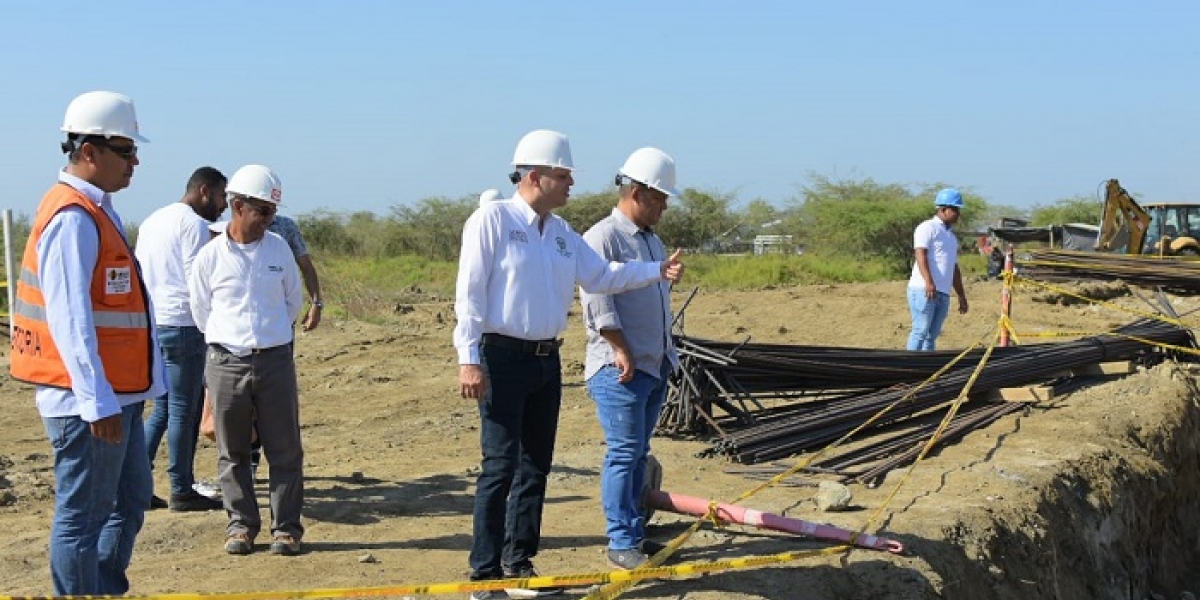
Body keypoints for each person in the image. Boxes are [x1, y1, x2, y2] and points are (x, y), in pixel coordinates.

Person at [454, 129, 685, 600]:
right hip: (500, 356)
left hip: (545, 360)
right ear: (535, 176)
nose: (571, 185)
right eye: (564, 176)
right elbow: (470, 296)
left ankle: (519, 564)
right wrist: (469, 359)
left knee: (535, 467)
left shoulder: (561, 235)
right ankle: (485, 577)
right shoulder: (492, 220)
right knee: (499, 467)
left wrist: (655, 271)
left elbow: (602, 275)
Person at [10, 91, 166, 595]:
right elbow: (70, 320)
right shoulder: (73, 217)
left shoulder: (99, 211)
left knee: (132, 499)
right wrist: (96, 401)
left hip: (117, 397)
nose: (135, 161)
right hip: (86, 404)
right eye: (125, 150)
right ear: (88, 151)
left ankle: (101, 588)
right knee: (83, 518)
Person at [188, 164, 305, 556]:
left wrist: (269, 339)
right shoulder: (209, 256)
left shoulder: (279, 249)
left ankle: (286, 529)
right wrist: (232, 344)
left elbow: (293, 302)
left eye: (273, 212)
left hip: (275, 361)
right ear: (237, 207)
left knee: (285, 449)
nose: (270, 220)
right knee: (232, 450)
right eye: (263, 212)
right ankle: (241, 526)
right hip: (226, 363)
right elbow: (201, 311)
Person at [580, 148, 682, 570]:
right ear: (637, 192)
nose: (664, 206)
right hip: (620, 368)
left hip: (652, 365)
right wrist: (621, 349)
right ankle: (621, 540)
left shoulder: (650, 240)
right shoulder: (602, 237)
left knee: (639, 453)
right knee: (623, 454)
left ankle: (636, 535)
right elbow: (598, 304)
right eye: (659, 198)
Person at [136, 167, 228, 512]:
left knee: (162, 408)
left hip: (156, 322)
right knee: (182, 411)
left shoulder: (152, 220)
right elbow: (198, 279)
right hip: (184, 325)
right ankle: (181, 488)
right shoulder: (192, 224)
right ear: (204, 191)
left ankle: (137, 484)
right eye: (221, 196)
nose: (223, 206)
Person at [907, 188, 969, 351]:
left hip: (942, 292)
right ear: (943, 209)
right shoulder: (927, 228)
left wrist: (961, 295)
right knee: (920, 331)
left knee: (931, 336)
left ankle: (926, 370)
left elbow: (953, 267)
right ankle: (908, 366)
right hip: (924, 290)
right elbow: (921, 254)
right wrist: (928, 281)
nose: (958, 214)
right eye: (955, 209)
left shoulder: (950, 237)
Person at [268, 214, 324, 331]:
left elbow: (306, 267)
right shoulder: (228, 230)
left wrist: (316, 304)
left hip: (282, 312)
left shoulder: (286, 226)